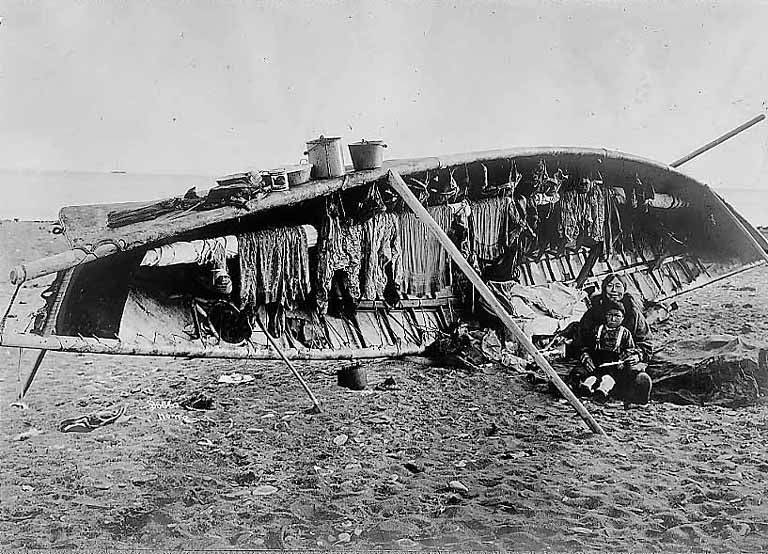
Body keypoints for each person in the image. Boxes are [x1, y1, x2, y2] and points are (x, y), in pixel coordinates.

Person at [574, 300, 652, 404]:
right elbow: (586, 342)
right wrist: (586, 355)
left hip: (615, 363)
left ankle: (602, 392)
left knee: (610, 379)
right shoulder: (598, 329)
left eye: (617, 316)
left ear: (622, 318)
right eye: (609, 315)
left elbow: (634, 347)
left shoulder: (625, 333)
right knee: (589, 376)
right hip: (598, 360)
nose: (613, 319)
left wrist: (628, 358)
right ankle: (586, 388)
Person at [573, 273, 653, 362]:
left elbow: (646, 341)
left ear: (624, 289)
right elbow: (581, 337)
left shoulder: (633, 313)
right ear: (604, 288)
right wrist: (584, 354)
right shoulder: (594, 312)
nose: (614, 290)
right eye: (610, 286)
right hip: (596, 358)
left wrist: (637, 355)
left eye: (618, 286)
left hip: (625, 360)